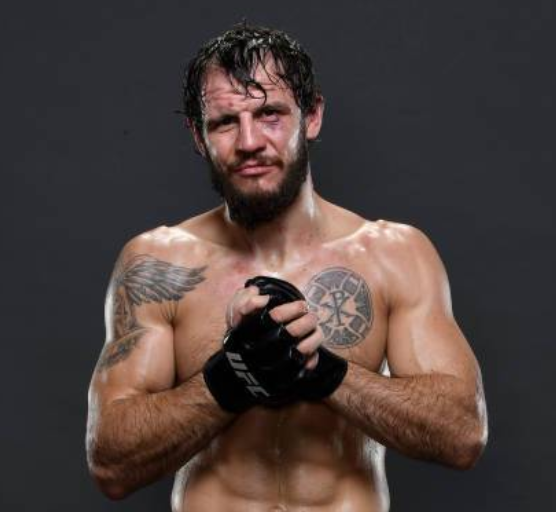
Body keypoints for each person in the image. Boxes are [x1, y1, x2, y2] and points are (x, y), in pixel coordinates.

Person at [86, 22, 488, 512]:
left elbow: (462, 434)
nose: (249, 141)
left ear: (311, 116)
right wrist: (230, 378)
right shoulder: (158, 261)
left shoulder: (394, 254)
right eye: (225, 122)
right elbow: (111, 465)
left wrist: (327, 374)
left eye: (270, 114)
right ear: (198, 135)